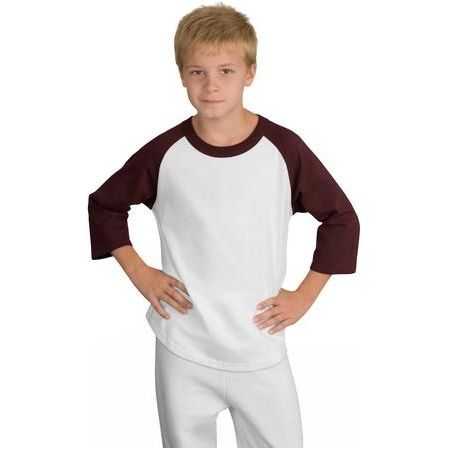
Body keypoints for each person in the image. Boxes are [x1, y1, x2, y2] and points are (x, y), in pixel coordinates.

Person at [88, 2, 360, 447]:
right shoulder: (164, 154)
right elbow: (104, 205)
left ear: (250, 72)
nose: (211, 85)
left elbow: (341, 219)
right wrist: (140, 272)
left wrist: (305, 294)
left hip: (259, 344)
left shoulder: (283, 150)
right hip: (183, 345)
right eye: (197, 72)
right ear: (181, 75)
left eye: (226, 71)